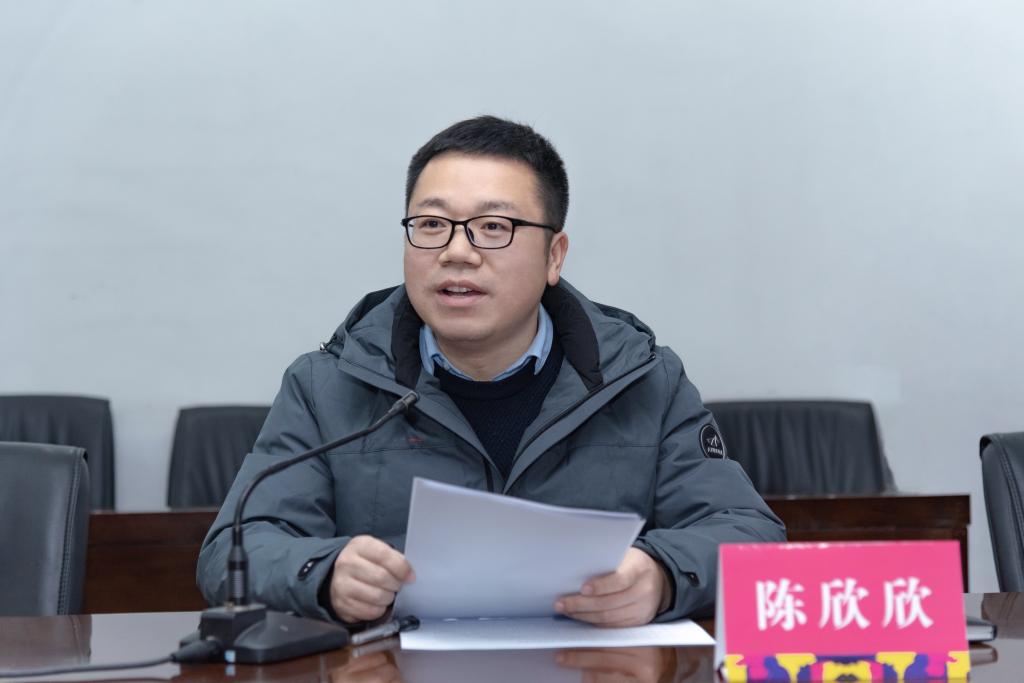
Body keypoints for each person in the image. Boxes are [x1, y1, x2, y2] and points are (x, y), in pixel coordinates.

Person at [197, 115, 785, 627]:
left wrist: (662, 575)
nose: (457, 251)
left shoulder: (643, 381)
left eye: (494, 227)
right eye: (432, 225)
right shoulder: (327, 386)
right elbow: (232, 551)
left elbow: (749, 533)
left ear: (554, 256)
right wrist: (323, 574)